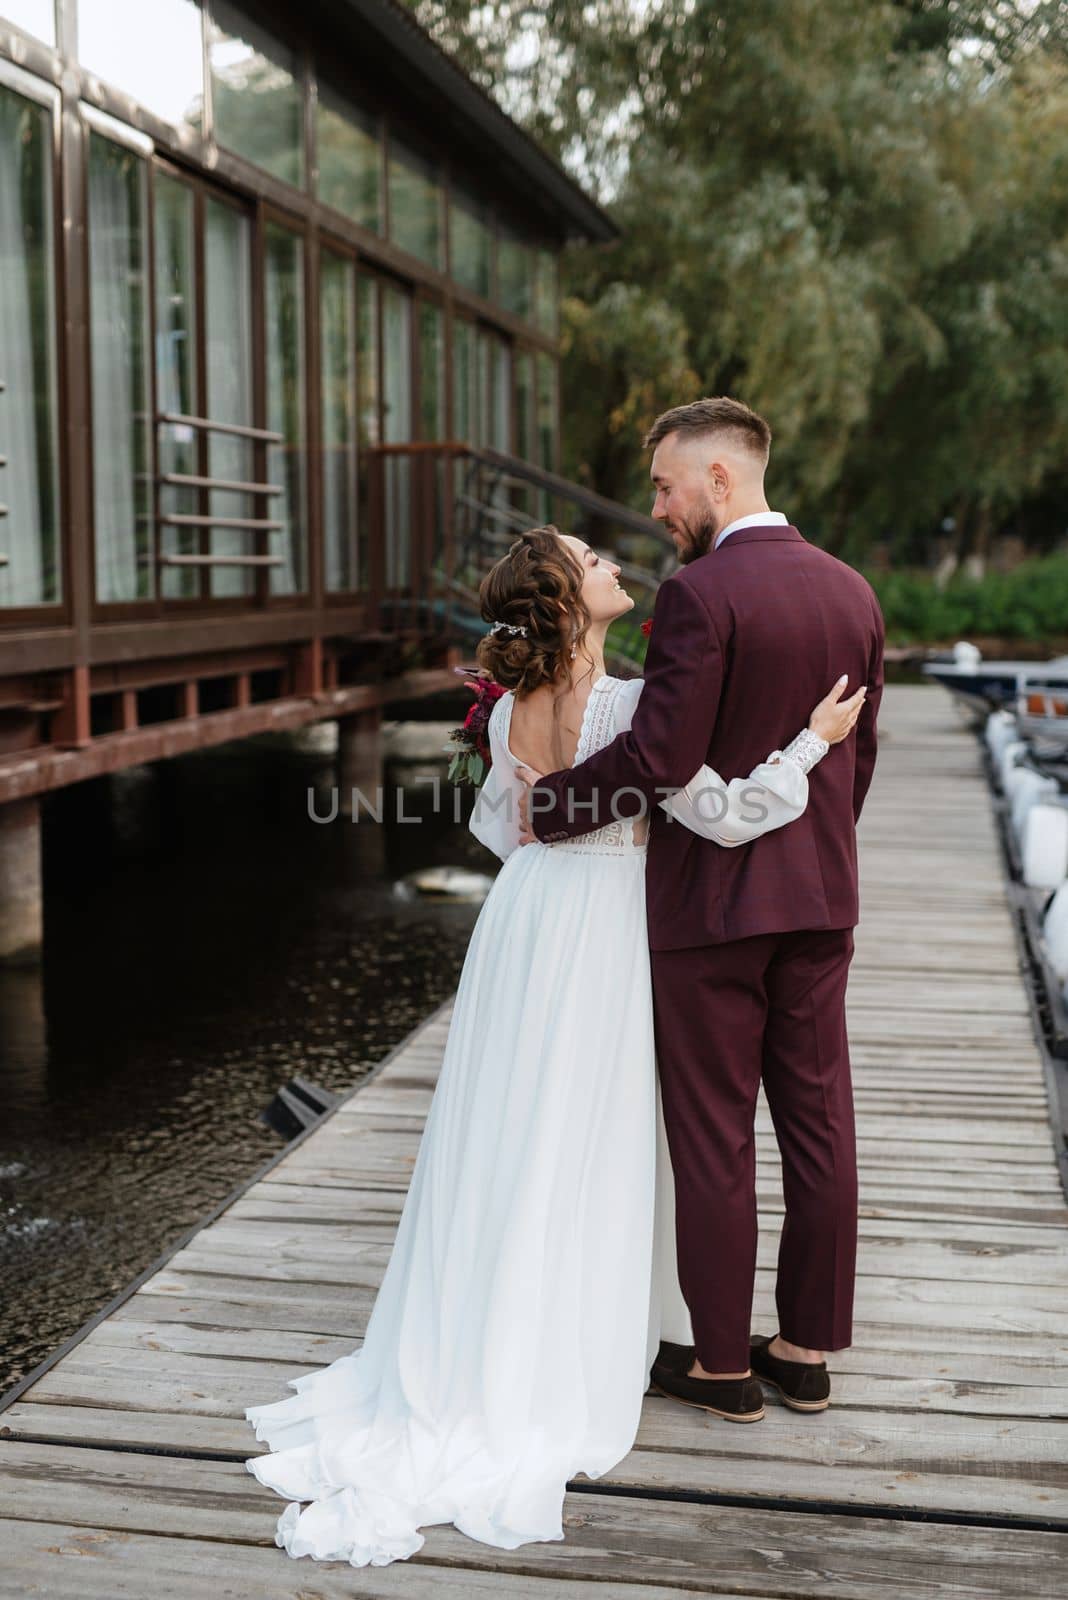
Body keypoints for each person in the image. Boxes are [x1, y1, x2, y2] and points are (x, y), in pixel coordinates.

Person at [242, 508, 867, 1568]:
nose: (614, 560)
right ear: (574, 601)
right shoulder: (635, 705)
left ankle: (496, 1326)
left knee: (513, 1125)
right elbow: (724, 812)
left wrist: (552, 822)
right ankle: (585, 1337)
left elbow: (506, 828)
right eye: (593, 560)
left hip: (525, 924)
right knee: (602, 1131)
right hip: (615, 924)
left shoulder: (501, 714)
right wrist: (814, 741)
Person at [519, 396, 885, 1424]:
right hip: (819, 900)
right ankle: (807, 1352)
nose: (661, 508)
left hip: (711, 911)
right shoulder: (853, 592)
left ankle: (722, 1366)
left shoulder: (699, 594)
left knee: (717, 1132)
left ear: (720, 478)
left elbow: (661, 756)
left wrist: (551, 807)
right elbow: (858, 758)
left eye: (667, 486)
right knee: (820, 1125)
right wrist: (817, 857)